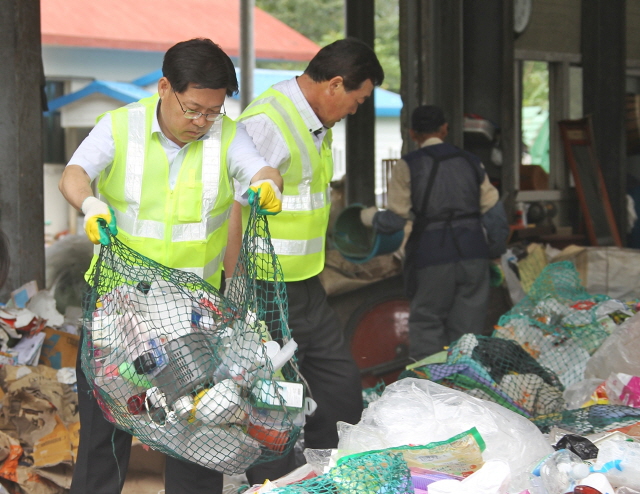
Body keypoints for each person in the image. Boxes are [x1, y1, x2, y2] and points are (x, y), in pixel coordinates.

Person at [58, 38, 283, 494]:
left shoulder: (227, 134)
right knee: (106, 430)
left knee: (200, 431)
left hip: (192, 317)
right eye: (193, 109)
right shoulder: (120, 126)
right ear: (164, 87)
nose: (201, 123)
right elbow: (74, 173)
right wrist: (90, 205)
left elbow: (260, 170)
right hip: (119, 312)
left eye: (213, 112)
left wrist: (266, 184)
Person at [231, 37, 385, 484]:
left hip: (302, 283)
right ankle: (273, 483)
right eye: (357, 100)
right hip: (262, 285)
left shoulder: (316, 124)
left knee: (338, 380)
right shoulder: (269, 122)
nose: (355, 110)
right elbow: (232, 208)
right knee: (272, 393)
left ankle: (321, 469)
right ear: (335, 84)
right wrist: (233, 287)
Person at [360, 105, 507, 361]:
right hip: (473, 253)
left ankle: (430, 390)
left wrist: (369, 217)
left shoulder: (408, 165)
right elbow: (495, 216)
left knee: (427, 324)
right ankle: (465, 391)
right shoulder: (471, 162)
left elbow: (395, 220)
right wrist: (493, 253)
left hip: (431, 256)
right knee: (467, 334)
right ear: (445, 129)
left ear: (413, 133)